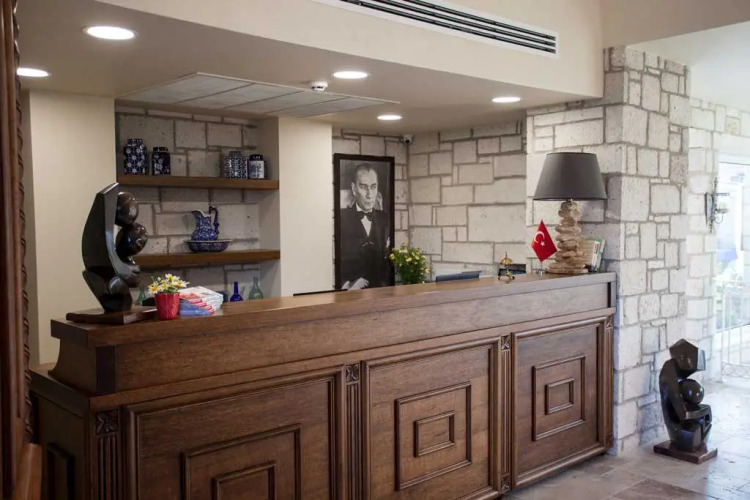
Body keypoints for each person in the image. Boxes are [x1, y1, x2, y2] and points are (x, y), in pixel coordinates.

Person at [339, 163, 392, 289]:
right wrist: (347, 285)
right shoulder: (341, 218)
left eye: (373, 187)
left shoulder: (385, 219)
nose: (369, 195)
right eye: (363, 187)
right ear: (354, 188)